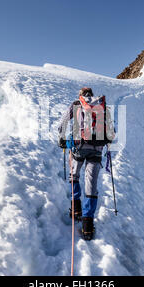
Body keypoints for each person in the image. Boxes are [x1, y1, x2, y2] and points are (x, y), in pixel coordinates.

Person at [58, 87, 115, 240]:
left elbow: (63, 122)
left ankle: (75, 210)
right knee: (91, 183)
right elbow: (111, 133)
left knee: (74, 175)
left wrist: (62, 138)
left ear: (81, 95)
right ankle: (87, 227)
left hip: (79, 147)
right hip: (96, 149)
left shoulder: (77, 104)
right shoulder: (102, 106)